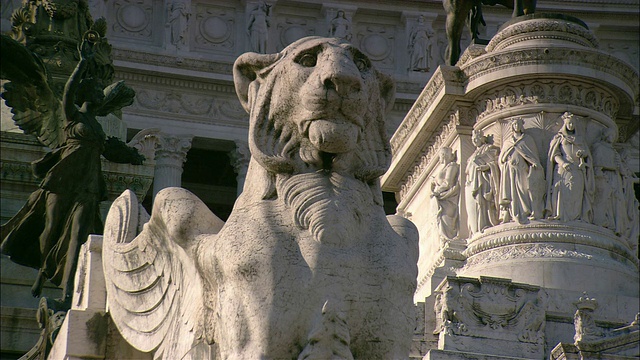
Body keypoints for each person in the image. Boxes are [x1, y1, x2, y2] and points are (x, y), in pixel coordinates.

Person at [0, 35, 143, 309]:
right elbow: (67, 90)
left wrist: (131, 155)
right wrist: (82, 64)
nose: (99, 93)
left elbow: (108, 149)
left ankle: (67, 294)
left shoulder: (97, 127)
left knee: (79, 236)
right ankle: (43, 269)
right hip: (62, 180)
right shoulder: (71, 117)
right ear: (85, 94)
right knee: (51, 229)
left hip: (88, 186)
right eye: (94, 89)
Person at [546, 112, 594, 222]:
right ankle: (560, 215)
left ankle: (576, 216)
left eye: (573, 123)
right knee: (563, 191)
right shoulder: (559, 138)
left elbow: (587, 153)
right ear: (565, 124)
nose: (571, 125)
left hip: (578, 168)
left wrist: (583, 154)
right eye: (569, 123)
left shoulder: (580, 139)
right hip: (564, 169)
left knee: (576, 193)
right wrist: (563, 163)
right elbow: (555, 154)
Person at [499, 117, 545, 223]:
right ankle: (513, 213)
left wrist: (535, 164)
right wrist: (506, 161)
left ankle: (526, 211)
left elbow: (532, 156)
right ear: (512, 127)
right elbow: (501, 158)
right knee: (512, 192)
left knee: (523, 190)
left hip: (522, 169)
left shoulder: (527, 139)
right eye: (515, 124)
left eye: (519, 124)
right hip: (510, 171)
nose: (517, 126)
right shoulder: (508, 142)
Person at [465, 129, 500, 235]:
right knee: (475, 205)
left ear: (482, 138)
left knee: (483, 203)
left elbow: (495, 161)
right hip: (472, 182)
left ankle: (485, 224)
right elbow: (467, 170)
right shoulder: (472, 155)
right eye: (473, 139)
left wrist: (487, 167)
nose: (475, 140)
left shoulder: (488, 148)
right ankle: (477, 228)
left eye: (476, 138)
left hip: (483, 181)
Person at [591, 128, 624, 233]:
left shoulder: (614, 152)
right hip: (605, 177)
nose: (612, 138)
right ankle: (604, 221)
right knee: (605, 200)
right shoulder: (599, 147)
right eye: (610, 135)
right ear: (605, 135)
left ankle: (613, 224)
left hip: (614, 178)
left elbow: (621, 169)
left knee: (614, 201)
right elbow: (597, 164)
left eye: (614, 136)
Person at [431, 147, 460, 242]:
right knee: (440, 219)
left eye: (442, 155)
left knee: (445, 218)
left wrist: (437, 191)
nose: (441, 157)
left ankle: (449, 239)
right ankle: (445, 241)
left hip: (447, 198)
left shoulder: (452, 166)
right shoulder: (444, 168)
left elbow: (448, 182)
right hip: (440, 198)